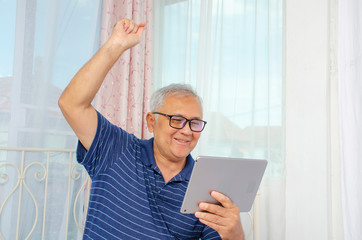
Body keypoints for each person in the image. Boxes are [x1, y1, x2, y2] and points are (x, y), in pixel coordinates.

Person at [59, 19, 244, 240]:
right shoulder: (117, 148)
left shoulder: (206, 187)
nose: (186, 131)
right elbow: (72, 104)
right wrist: (116, 44)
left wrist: (235, 233)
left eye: (195, 122)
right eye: (177, 120)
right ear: (150, 121)